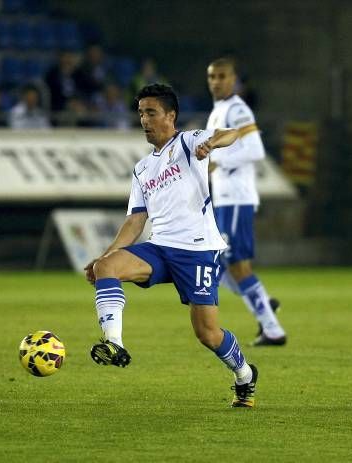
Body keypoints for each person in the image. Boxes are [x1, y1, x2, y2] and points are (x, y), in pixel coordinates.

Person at [83, 83, 259, 407]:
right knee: (105, 267)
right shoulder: (142, 169)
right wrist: (105, 255)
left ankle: (245, 375)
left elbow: (231, 133)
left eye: (151, 113)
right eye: (140, 114)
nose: (144, 120)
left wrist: (213, 142)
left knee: (207, 334)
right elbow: (136, 220)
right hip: (159, 247)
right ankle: (114, 344)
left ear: (170, 115)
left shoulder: (189, 142)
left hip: (198, 250)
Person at [205, 57, 285, 346]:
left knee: (237, 264)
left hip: (237, 198)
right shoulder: (218, 111)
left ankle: (273, 329)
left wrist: (217, 161)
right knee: (220, 263)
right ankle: (262, 300)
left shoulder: (237, 109)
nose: (216, 81)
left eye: (222, 76)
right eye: (212, 77)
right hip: (224, 199)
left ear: (234, 80)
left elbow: (255, 149)